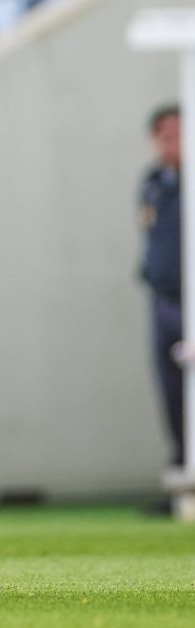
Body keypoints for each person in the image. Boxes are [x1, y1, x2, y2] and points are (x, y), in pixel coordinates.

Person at [140, 104, 183, 471]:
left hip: (191, 299)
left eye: (178, 134)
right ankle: (183, 467)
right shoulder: (153, 182)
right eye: (164, 136)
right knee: (171, 392)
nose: (171, 143)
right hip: (164, 299)